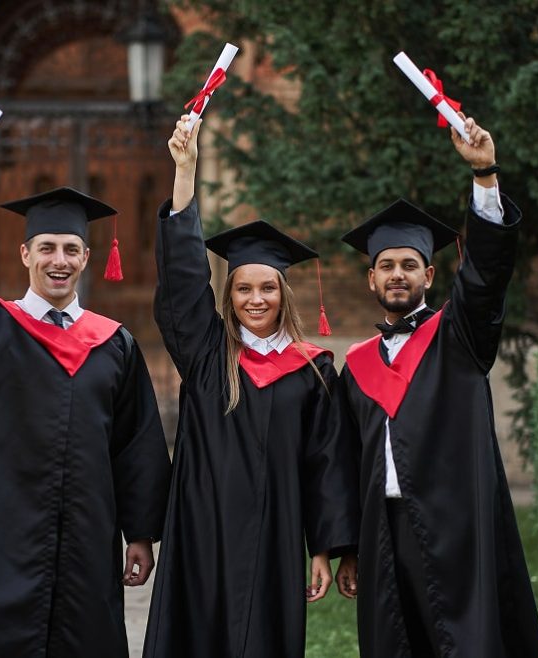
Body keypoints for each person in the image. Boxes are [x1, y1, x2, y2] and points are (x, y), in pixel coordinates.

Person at [0, 165, 171, 657]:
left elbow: (135, 443)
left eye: (71, 249)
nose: (59, 260)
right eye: (47, 247)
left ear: (86, 257)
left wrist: (140, 533)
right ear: (25, 253)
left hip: (84, 541)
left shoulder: (113, 345)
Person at [142, 116, 359, 658]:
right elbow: (183, 282)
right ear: (229, 294)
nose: (255, 299)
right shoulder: (207, 354)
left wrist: (322, 549)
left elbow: (326, 462)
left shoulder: (313, 371)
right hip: (203, 531)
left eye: (267, 288)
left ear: (284, 293)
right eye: (243, 289)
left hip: (276, 537)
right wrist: (185, 172)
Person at [335, 114, 538, 657]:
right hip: (384, 530)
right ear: (372, 278)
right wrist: (347, 545)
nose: (397, 274)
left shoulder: (459, 336)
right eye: (386, 265)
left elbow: (485, 277)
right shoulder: (355, 367)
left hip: (455, 524)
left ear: (429, 276)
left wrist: (484, 177)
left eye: (410, 264)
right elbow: (344, 461)